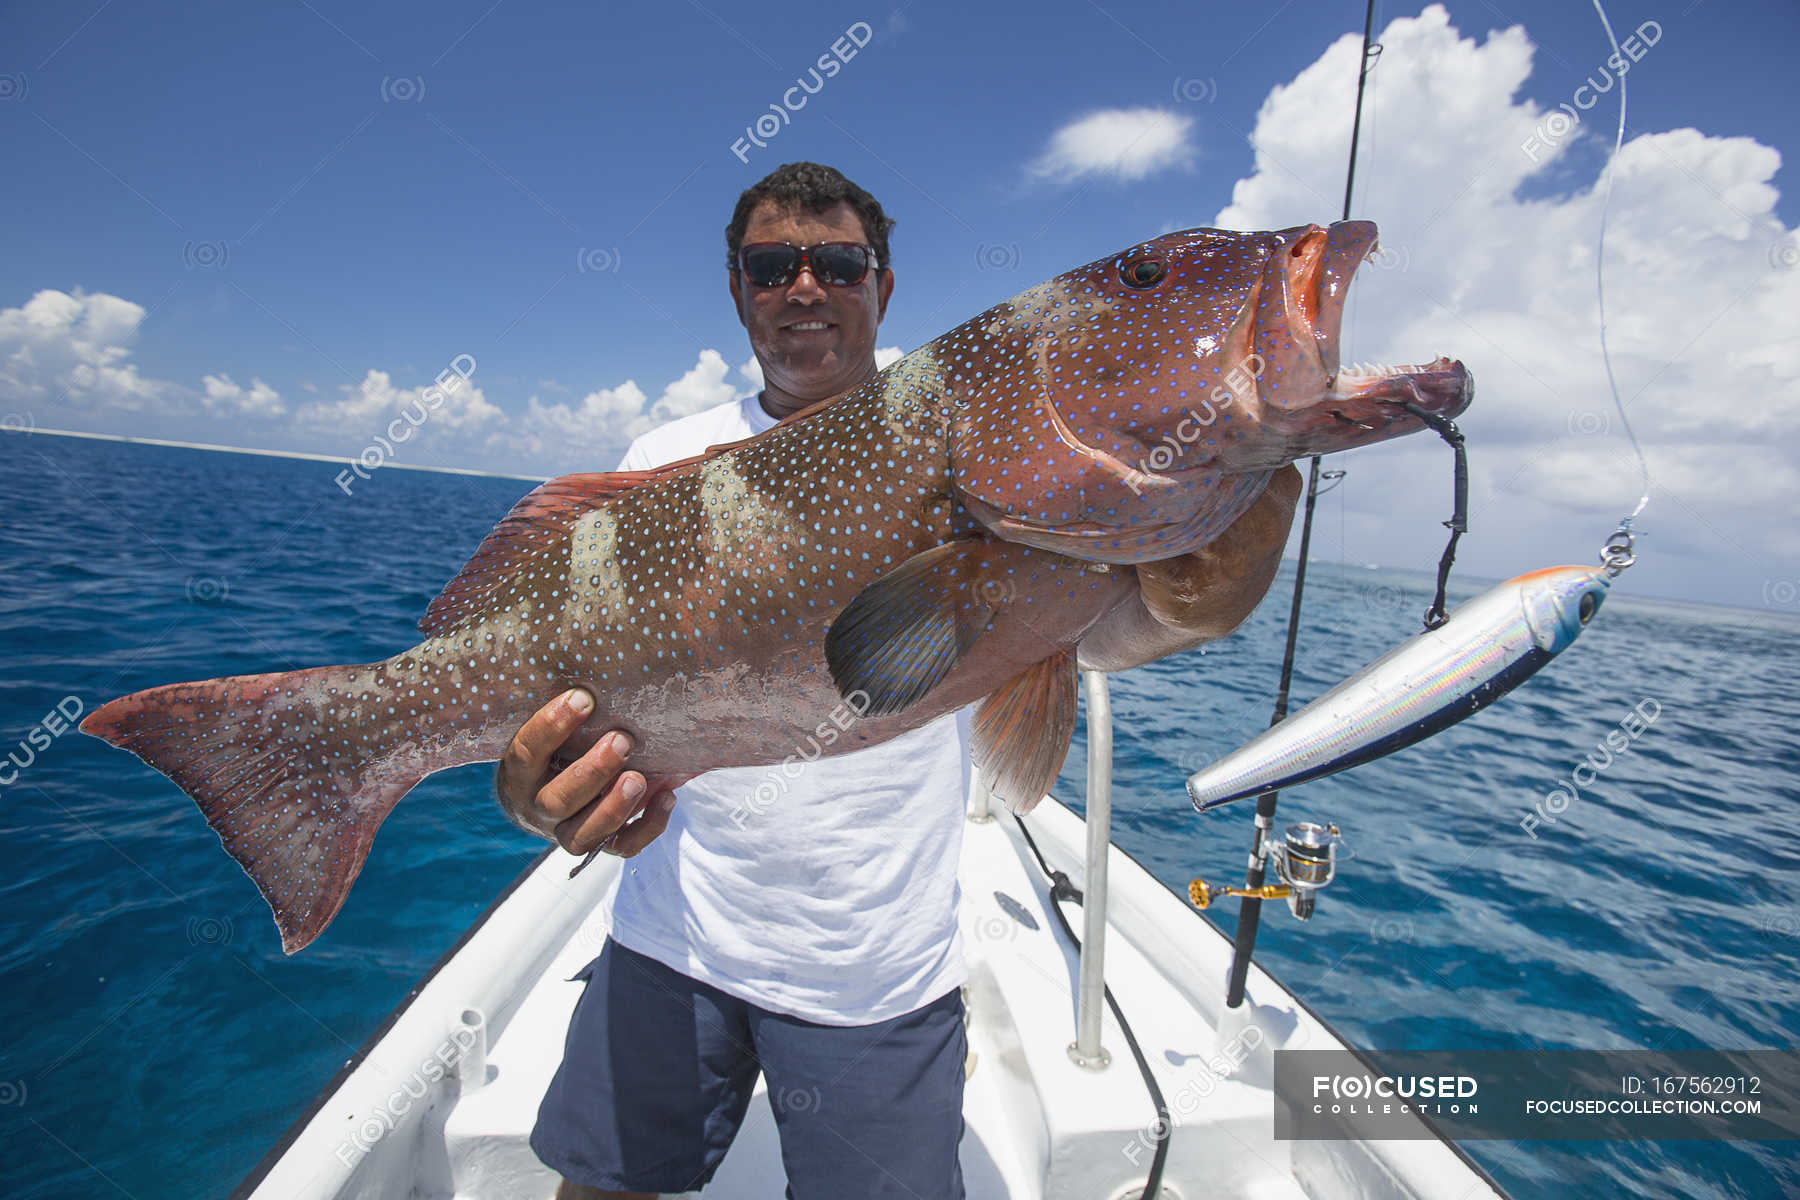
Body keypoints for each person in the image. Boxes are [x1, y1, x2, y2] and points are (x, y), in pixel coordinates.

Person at [501, 162, 973, 1199]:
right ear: (739, 292)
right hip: (674, 936)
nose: (804, 287)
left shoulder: (959, 443)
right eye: (772, 266)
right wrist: (542, 788)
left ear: (884, 289)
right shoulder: (667, 456)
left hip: (874, 970)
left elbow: (1129, 624)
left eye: (840, 264)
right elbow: (574, 691)